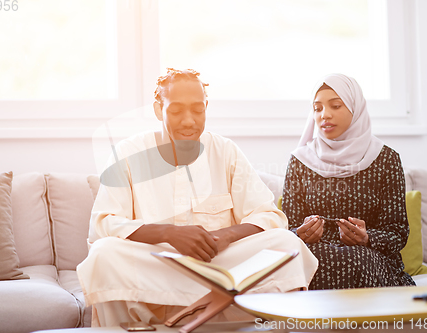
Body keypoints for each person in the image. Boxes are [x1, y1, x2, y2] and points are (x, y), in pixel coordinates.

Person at [77, 68, 318, 327]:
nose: (189, 121)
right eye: (177, 111)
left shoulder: (226, 151)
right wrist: (168, 233)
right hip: (156, 264)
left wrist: (227, 235)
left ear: (206, 107)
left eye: (197, 110)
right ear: (159, 109)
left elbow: (269, 216)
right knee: (105, 253)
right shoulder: (128, 152)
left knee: (285, 242)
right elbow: (104, 223)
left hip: (218, 265)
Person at [282, 73, 415, 290]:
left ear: (356, 108)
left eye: (335, 105)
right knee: (310, 265)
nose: (325, 115)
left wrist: (367, 238)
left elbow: (397, 231)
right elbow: (286, 228)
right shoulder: (300, 161)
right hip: (314, 254)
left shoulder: (386, 159)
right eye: (317, 108)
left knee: (358, 262)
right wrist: (301, 233)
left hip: (370, 257)